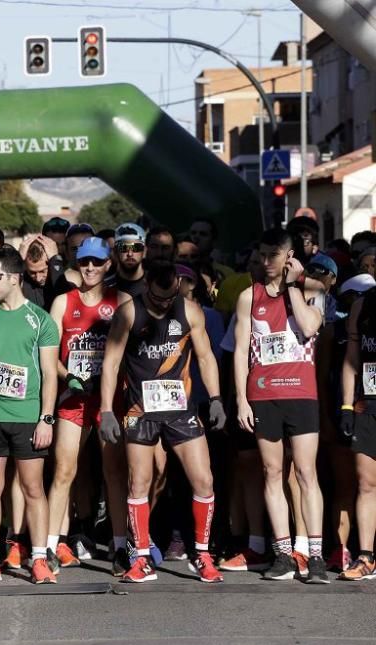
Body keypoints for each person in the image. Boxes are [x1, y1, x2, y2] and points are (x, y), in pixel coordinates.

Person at [99, 261, 226, 584]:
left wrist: (215, 398)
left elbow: (206, 356)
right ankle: (140, 557)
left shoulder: (190, 310)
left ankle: (203, 554)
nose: (163, 304)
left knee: (204, 480)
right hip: (140, 409)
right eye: (157, 298)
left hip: (179, 407)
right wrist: (107, 411)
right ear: (147, 287)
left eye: (169, 298)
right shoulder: (129, 312)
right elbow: (111, 363)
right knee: (139, 482)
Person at [233, 228, 328, 583]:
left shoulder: (313, 290)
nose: (265, 262)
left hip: (301, 393)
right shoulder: (249, 296)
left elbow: (307, 327)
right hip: (263, 394)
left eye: (273, 255)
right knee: (272, 473)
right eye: (261, 255)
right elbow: (241, 351)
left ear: (289, 256)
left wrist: (292, 286)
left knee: (306, 473)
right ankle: (284, 554)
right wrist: (241, 399)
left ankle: (315, 556)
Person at [0, 246, 60, 585]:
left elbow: (49, 373)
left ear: (15, 278)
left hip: (28, 417)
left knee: (34, 488)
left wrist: (46, 418)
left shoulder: (40, 319)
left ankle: (39, 559)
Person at [44, 238, 125, 570]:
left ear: (108, 264)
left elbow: (130, 353)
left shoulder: (122, 301)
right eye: (84, 262)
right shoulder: (63, 302)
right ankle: (48, 546)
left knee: (113, 473)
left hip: (107, 399)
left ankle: (121, 546)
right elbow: (48, 356)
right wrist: (69, 376)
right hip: (73, 397)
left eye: (97, 261)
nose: (90, 267)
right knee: (64, 471)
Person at [339, 284, 376, 580]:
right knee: (366, 482)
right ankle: (366, 556)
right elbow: (351, 358)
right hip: (368, 404)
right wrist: (346, 406)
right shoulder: (363, 304)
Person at [112, 222, 146, 299]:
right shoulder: (104, 288)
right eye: (124, 248)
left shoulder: (156, 285)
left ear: (145, 251)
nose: (130, 254)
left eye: (136, 247)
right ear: (115, 252)